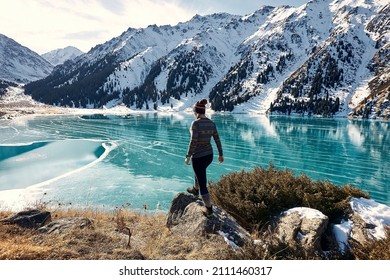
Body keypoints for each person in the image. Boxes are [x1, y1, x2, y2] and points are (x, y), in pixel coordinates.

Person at [185, 99, 224, 218]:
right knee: (200, 171)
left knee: (202, 181)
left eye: (194, 111)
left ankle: (209, 209)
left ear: (196, 112)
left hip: (198, 156)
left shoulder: (195, 124)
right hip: (209, 156)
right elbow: (217, 139)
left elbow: (193, 141)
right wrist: (220, 154)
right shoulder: (211, 123)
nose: (193, 113)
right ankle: (195, 190)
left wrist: (188, 156)